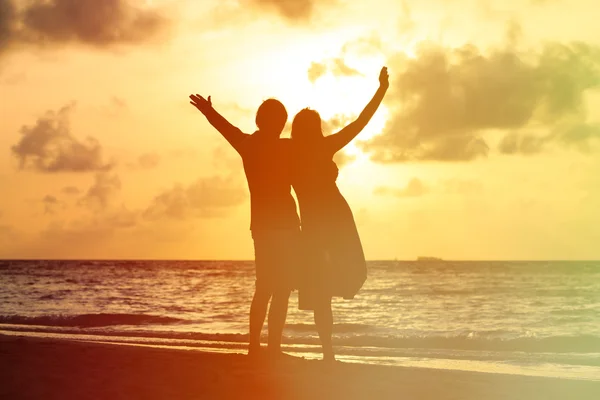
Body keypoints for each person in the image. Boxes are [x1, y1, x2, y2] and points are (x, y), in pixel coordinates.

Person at [189, 95, 300, 358]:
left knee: (269, 287)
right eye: (280, 119)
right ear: (277, 122)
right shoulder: (283, 147)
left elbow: (224, 127)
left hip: (266, 225)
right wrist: (209, 111)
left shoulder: (249, 144)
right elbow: (224, 127)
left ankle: (259, 347)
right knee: (277, 288)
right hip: (281, 224)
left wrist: (208, 111)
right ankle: (266, 347)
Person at [290, 66, 389, 362]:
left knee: (321, 290)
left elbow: (360, 123)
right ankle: (328, 353)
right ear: (315, 127)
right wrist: (381, 89)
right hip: (334, 222)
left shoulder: (289, 153)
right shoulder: (320, 146)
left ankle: (328, 352)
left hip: (318, 226)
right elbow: (360, 122)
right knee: (327, 286)